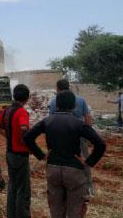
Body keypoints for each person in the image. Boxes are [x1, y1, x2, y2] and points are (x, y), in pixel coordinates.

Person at [24, 90, 106, 218]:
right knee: (75, 209)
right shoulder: (79, 123)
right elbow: (100, 144)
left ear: (56, 105)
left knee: (56, 208)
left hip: (53, 168)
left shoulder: (47, 121)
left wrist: (41, 155)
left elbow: (28, 137)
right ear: (74, 106)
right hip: (74, 170)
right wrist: (89, 161)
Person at [49, 79, 94, 196]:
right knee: (83, 159)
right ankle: (88, 188)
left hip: (61, 136)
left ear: (58, 89)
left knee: (64, 160)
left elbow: (51, 120)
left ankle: (65, 188)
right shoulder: (81, 99)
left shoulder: (54, 102)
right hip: (80, 134)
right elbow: (87, 118)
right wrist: (89, 136)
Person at [0, 84, 31, 218]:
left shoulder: (7, 111)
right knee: (23, 189)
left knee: (12, 186)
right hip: (20, 155)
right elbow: (24, 128)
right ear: (27, 98)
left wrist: (7, 135)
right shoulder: (22, 112)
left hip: (9, 153)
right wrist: (22, 140)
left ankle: (11, 214)